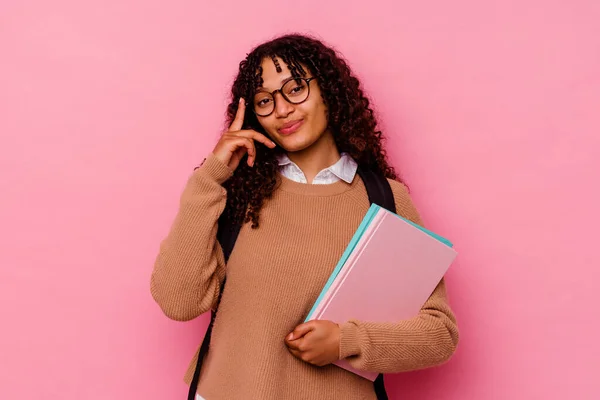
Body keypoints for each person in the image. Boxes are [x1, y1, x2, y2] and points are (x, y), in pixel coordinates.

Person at [150, 33, 459, 400]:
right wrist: (211, 175)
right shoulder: (235, 193)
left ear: (328, 90)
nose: (281, 110)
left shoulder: (384, 197)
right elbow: (178, 301)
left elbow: (439, 334)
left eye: (295, 88)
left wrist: (347, 341)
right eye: (265, 100)